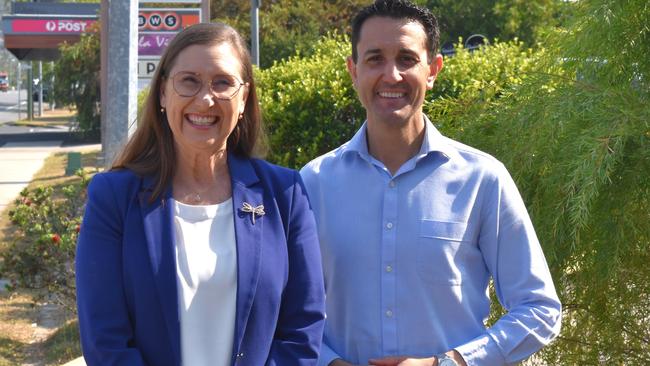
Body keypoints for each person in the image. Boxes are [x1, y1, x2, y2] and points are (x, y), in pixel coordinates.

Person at [300, 1, 562, 365]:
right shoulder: (314, 183)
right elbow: (287, 310)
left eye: (406, 59)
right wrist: (328, 362)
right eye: (375, 58)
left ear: (433, 70)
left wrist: (451, 362)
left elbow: (539, 308)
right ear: (353, 70)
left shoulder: (482, 180)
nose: (391, 75)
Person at [76, 22, 325, 366]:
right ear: (164, 93)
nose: (205, 99)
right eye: (189, 81)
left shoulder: (285, 195)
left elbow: (303, 328)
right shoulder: (113, 198)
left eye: (222, 82)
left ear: (244, 98)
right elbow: (105, 341)